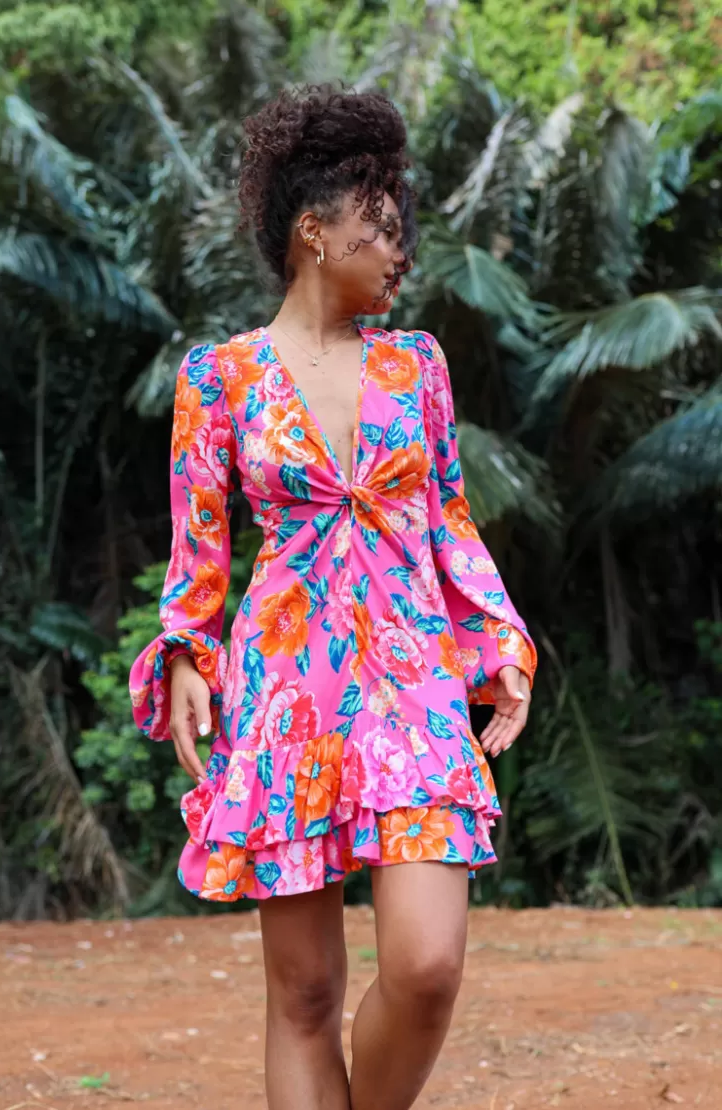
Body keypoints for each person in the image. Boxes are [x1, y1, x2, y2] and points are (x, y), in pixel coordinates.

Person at [129, 85, 537, 1110]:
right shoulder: (219, 378)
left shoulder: (418, 366)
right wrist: (186, 653)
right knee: (305, 993)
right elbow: (197, 550)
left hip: (412, 685)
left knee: (426, 967)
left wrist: (498, 643)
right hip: (287, 692)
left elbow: (448, 521)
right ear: (314, 231)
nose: (400, 254)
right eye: (382, 229)